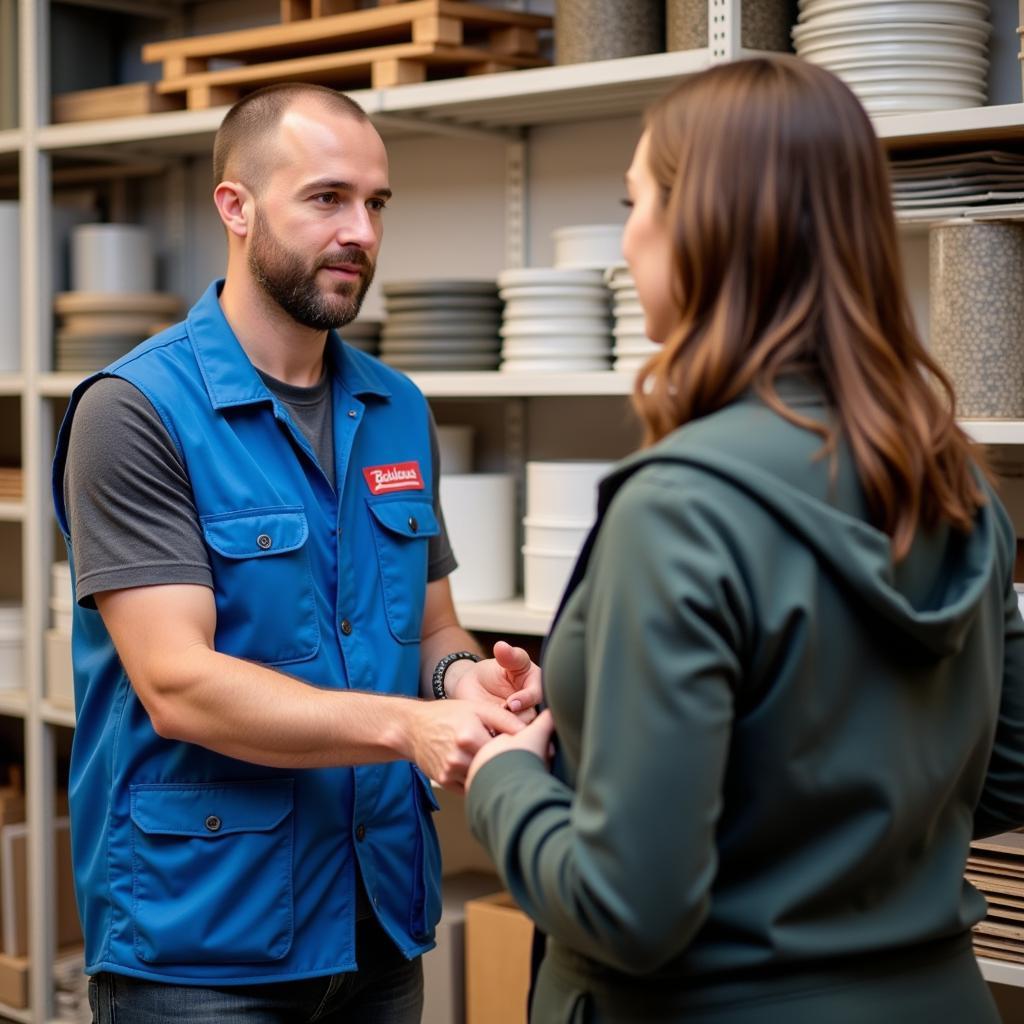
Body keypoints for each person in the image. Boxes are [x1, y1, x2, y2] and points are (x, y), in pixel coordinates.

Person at [464, 55, 1024, 1024]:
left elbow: (628, 908)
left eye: (635, 201)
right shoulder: (954, 479)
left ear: (702, 229)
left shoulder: (679, 506)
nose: (625, 239)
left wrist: (504, 780)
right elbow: (1005, 768)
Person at [51, 82, 542, 1023]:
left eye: (376, 203)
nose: (361, 229)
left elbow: (432, 625)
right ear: (234, 208)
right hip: (204, 941)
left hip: (377, 911)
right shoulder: (136, 410)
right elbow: (177, 683)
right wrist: (407, 728)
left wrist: (464, 682)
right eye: (327, 199)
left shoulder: (395, 407)